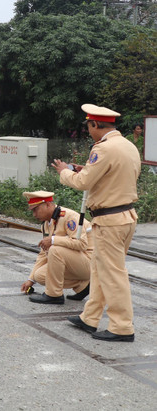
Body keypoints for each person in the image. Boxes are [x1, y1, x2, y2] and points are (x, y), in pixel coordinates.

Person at [52, 104, 141, 342]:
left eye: (89, 127)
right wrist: (87, 170)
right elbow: (113, 177)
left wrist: (64, 171)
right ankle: (90, 317)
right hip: (125, 216)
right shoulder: (128, 146)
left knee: (113, 273)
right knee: (101, 269)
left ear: (95, 125)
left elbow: (82, 182)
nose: (89, 132)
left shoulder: (103, 149)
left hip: (109, 220)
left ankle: (122, 327)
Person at [21, 191, 92, 304]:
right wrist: (31, 280)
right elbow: (43, 254)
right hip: (77, 264)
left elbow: (82, 244)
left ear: (48, 204)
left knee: (55, 249)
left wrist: (53, 240)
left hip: (91, 262)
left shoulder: (69, 216)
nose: (34, 214)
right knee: (39, 276)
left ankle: (54, 295)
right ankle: (82, 285)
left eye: (36, 209)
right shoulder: (46, 224)